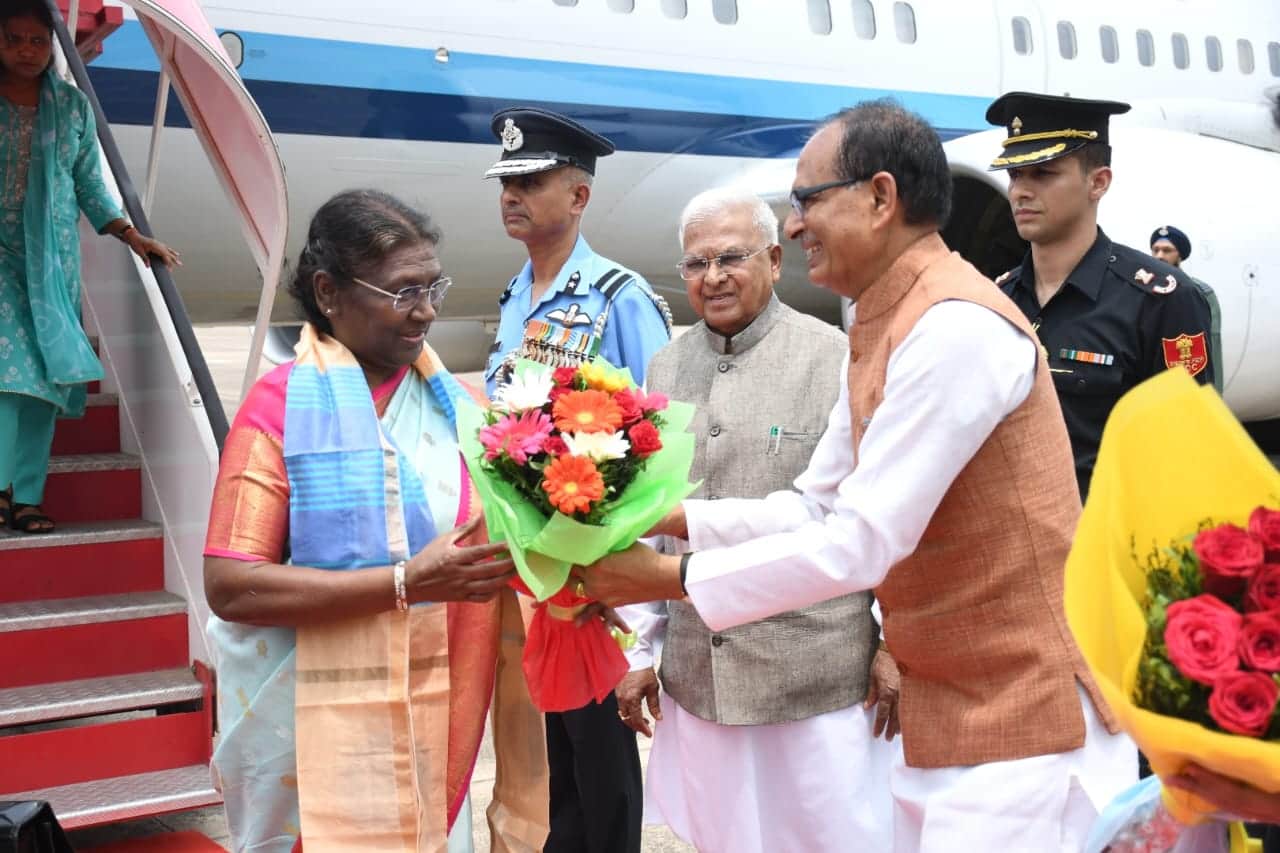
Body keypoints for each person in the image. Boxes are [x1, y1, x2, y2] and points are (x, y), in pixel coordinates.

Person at [575, 99, 1137, 852]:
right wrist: (668, 519)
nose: (796, 224)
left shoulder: (954, 328)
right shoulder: (885, 320)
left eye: (807, 201)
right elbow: (817, 505)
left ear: (879, 198)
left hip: (1023, 720)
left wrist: (665, 579)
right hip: (953, 709)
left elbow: (859, 542)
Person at [202, 190, 546, 853]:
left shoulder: (464, 410)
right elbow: (229, 584)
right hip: (310, 737)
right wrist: (403, 583)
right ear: (329, 292)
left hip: (437, 717)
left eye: (432, 285)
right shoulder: (278, 410)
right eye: (402, 291)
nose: (426, 310)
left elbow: (511, 545)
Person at [614, 187, 897, 852]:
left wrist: (893, 643)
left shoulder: (834, 357)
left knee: (837, 839)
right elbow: (654, 524)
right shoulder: (665, 366)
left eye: (730, 258)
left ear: (774, 258)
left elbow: (877, 512)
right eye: (695, 264)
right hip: (701, 677)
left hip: (814, 672)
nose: (711, 278)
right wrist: (640, 652)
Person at [482, 107, 671, 853]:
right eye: (506, 182)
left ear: (580, 197)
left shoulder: (619, 297)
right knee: (556, 749)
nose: (512, 195)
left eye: (531, 180)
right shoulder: (513, 296)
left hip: (598, 565)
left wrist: (637, 579)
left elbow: (657, 431)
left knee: (601, 755)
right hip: (532, 560)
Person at [0, 0, 178, 533]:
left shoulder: (72, 107)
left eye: (37, 41)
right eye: (14, 40)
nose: (27, 51)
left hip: (48, 264)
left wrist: (130, 234)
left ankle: (25, 495)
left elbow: (89, 183)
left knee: (41, 384)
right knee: (11, 379)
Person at [985, 92, 1215, 501]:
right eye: (1015, 174)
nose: (1020, 191)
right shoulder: (997, 301)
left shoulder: (1160, 300)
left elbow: (1187, 450)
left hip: (1107, 545)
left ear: (1098, 182)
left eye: (1042, 173)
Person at [1150, 225, 1223, 392]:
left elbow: (1212, 352)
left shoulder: (1199, 292)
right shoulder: (1142, 291)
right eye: (1156, 250)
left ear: (1179, 255)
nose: (1159, 256)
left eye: (1167, 250)